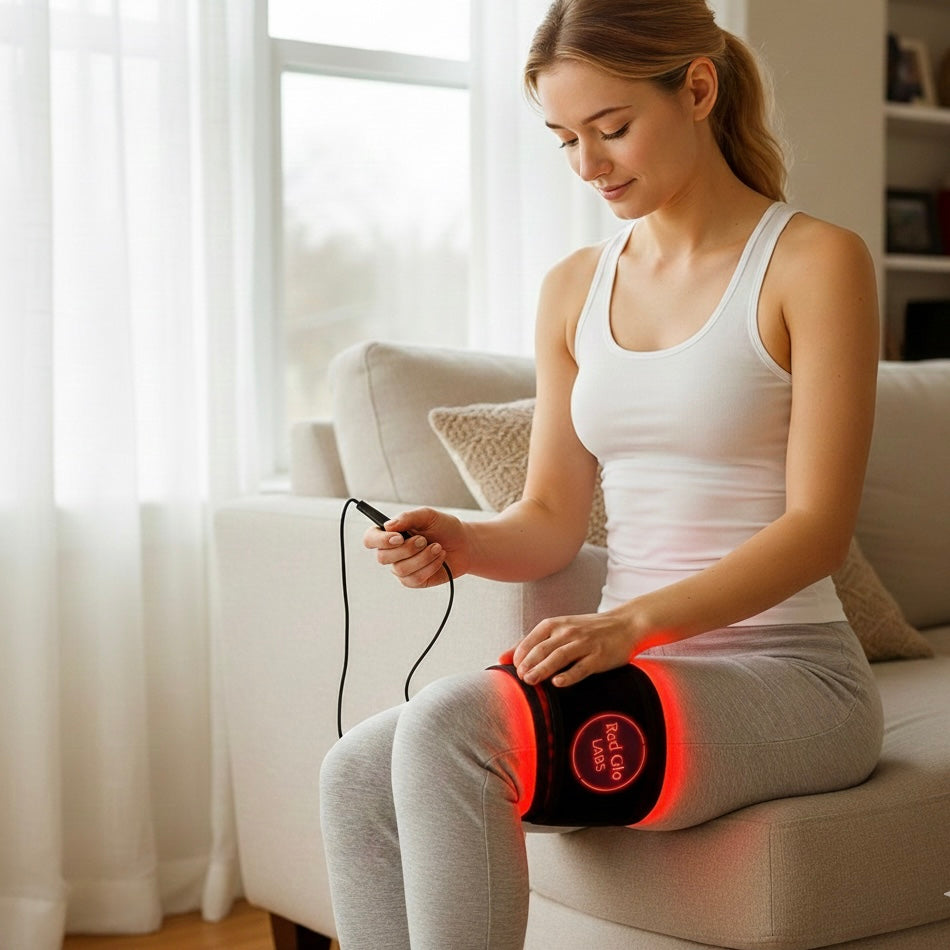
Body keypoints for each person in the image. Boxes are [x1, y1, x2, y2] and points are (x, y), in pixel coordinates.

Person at [319, 1, 884, 947]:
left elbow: (817, 529)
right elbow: (549, 518)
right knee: (356, 773)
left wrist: (631, 624)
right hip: (637, 666)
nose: (588, 165)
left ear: (696, 89)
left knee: (454, 728)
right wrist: (463, 542)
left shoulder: (814, 262)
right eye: (564, 139)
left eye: (612, 128)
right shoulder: (575, 286)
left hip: (791, 677)